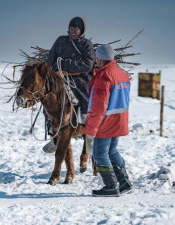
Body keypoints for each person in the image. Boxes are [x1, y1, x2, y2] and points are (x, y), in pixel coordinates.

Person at [85, 44, 132, 197]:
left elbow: (98, 107)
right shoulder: (122, 74)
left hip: (106, 122)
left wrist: (91, 129)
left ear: (100, 58)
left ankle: (111, 186)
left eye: (96, 57)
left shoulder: (104, 77)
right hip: (119, 120)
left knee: (99, 154)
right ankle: (124, 183)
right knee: (112, 151)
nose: (95, 60)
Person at [43, 16, 95, 153]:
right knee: (48, 100)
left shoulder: (86, 45)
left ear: (81, 30)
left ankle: (87, 131)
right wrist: (57, 70)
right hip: (59, 77)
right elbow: (51, 59)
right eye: (71, 28)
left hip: (80, 78)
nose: (73, 31)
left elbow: (88, 64)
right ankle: (53, 135)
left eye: (76, 29)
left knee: (85, 98)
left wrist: (67, 66)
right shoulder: (60, 41)